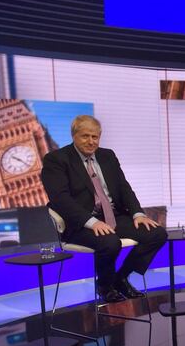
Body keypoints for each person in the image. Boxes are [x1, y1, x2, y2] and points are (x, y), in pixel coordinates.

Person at [41, 115, 167, 303]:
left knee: (156, 234)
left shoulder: (107, 155)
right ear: (74, 135)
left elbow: (124, 187)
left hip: (113, 217)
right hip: (80, 223)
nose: (91, 142)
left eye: (95, 137)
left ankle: (121, 278)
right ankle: (105, 286)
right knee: (110, 242)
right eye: (85, 136)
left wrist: (138, 213)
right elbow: (60, 199)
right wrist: (91, 222)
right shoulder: (56, 159)